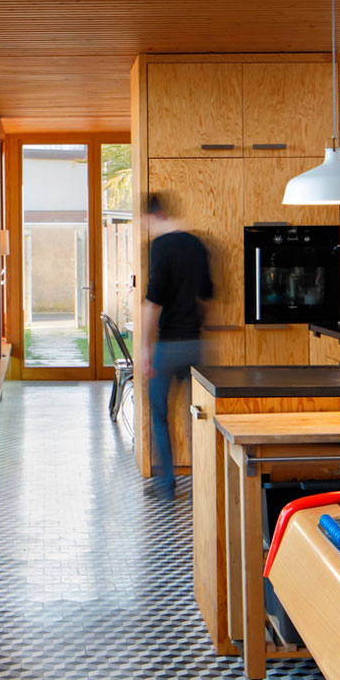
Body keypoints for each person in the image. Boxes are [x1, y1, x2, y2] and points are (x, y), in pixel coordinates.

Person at [140, 192, 212, 498]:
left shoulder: (160, 246)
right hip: (196, 344)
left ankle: (167, 484)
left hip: (168, 346)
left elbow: (153, 302)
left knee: (159, 415)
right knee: (197, 415)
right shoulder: (196, 244)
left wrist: (144, 348)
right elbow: (207, 294)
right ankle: (204, 483)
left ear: (153, 216)